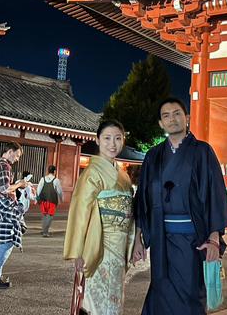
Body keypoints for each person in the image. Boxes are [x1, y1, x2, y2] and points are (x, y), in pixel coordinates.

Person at [131, 97, 227, 315]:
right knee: (160, 293)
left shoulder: (202, 152)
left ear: (187, 118)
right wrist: (138, 239)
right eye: (166, 115)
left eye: (177, 113)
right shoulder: (153, 156)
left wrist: (214, 237)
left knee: (190, 297)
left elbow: (215, 193)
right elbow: (143, 200)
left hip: (192, 241)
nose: (172, 119)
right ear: (160, 123)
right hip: (161, 239)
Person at [64, 119, 135, 315]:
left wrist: (136, 242)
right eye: (107, 138)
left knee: (114, 297)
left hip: (119, 245)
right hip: (98, 243)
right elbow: (80, 212)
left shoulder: (124, 176)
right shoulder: (92, 172)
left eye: (118, 138)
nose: (112, 144)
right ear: (97, 140)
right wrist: (77, 251)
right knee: (96, 298)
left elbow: (130, 211)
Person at [0, 143, 28, 289]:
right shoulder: (5, 166)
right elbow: (5, 188)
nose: (17, 159)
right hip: (5, 206)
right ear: (10, 151)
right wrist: (20, 184)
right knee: (8, 240)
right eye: (17, 155)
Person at [36, 164, 65, 237]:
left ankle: (44, 230)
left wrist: (36, 198)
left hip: (43, 200)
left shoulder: (43, 179)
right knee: (50, 216)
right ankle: (45, 231)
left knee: (44, 215)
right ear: (54, 171)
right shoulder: (56, 180)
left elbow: (38, 189)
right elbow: (59, 191)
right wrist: (61, 198)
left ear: (48, 171)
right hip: (52, 200)